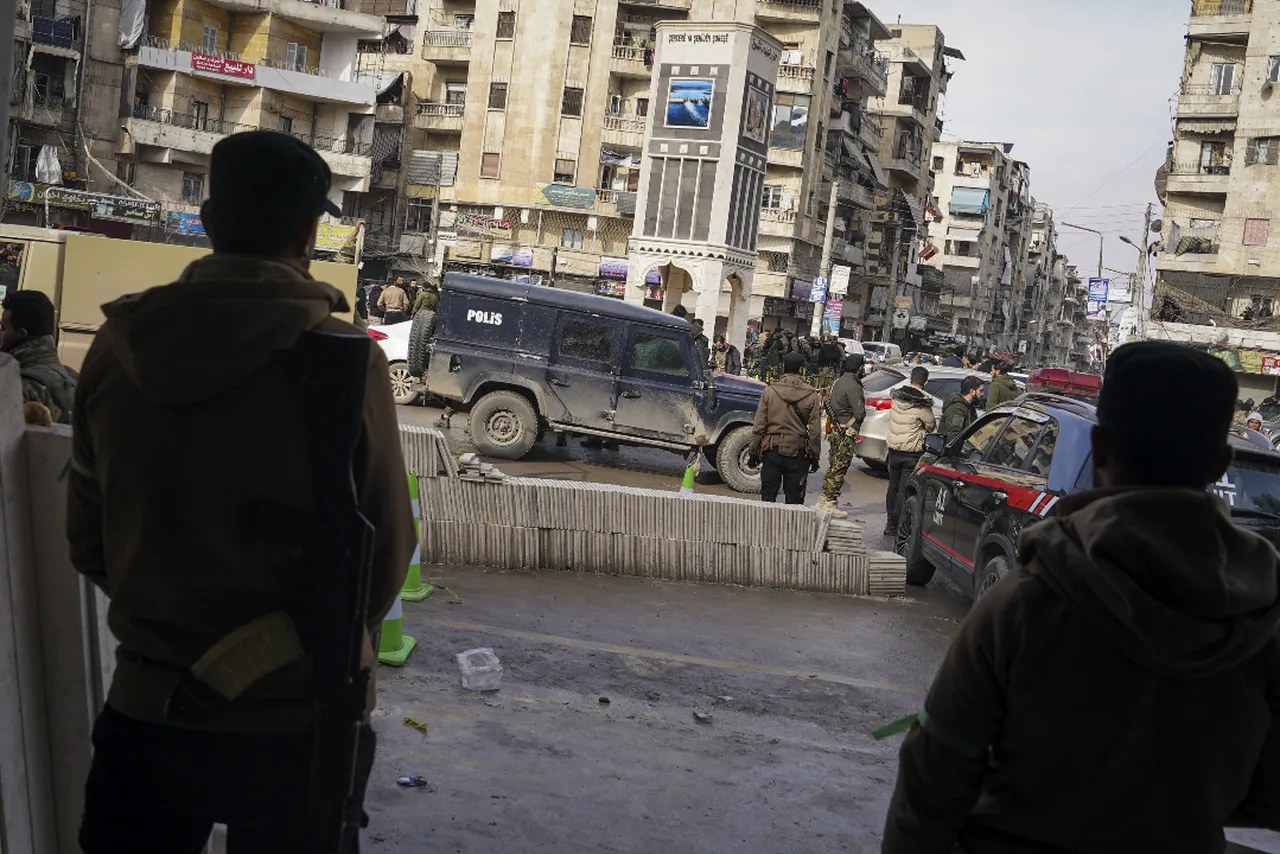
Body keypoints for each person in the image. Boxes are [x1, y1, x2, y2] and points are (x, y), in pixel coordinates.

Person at [69, 130, 416, 853]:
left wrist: (170, 616)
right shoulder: (347, 362)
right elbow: (384, 555)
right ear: (307, 231)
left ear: (207, 219)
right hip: (298, 727)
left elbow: (88, 538)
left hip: (148, 710)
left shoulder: (118, 345)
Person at [882, 341, 1280, 854]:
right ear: (1221, 462)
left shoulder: (1024, 603)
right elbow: (1268, 797)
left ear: (1103, 448)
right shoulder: (1263, 617)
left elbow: (932, 781)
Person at [748, 352, 821, 505]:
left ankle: (766, 528)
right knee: (795, 502)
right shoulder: (811, 394)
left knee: (768, 499)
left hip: (771, 450)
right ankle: (792, 529)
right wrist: (815, 456)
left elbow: (759, 426)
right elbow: (815, 431)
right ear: (800, 370)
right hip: (798, 453)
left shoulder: (770, 391)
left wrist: (753, 452)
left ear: (783, 368)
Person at [0, 289, 78, 424]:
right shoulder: (72, 376)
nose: (1, 334)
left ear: (21, 334)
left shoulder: (18, 386)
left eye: (3, 328)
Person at [884, 366, 936, 535]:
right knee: (903, 488)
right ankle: (897, 524)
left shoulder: (897, 398)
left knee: (892, 487)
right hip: (911, 452)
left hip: (893, 449)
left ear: (910, 378)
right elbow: (931, 425)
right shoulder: (922, 404)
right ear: (926, 382)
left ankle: (889, 524)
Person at [819, 353, 867, 518]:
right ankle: (830, 503)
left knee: (833, 465)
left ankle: (824, 499)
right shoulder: (854, 386)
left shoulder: (838, 381)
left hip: (835, 429)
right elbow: (860, 413)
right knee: (840, 467)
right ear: (859, 368)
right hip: (846, 431)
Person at [940, 375, 983, 444]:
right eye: (980, 391)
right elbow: (953, 436)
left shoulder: (969, 407)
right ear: (972, 391)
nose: (982, 394)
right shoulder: (957, 408)